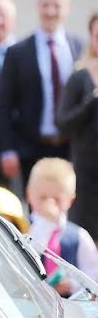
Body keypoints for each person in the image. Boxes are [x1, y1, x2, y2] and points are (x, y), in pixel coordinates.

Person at [0, 0, 84, 185]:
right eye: (45, 5)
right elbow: (5, 105)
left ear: (68, 8)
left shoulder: (79, 48)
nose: (51, 11)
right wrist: (7, 149)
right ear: (37, 6)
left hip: (73, 148)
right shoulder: (17, 52)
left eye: (57, 5)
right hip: (31, 149)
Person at [26, 158, 98, 296]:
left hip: (70, 308)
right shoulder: (24, 228)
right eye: (43, 198)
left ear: (70, 200)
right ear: (29, 194)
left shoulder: (78, 236)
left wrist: (72, 284)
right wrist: (44, 226)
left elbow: (93, 275)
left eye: (57, 199)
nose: (50, 205)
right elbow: (25, 256)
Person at [57, 13, 98, 244]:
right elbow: (63, 122)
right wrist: (91, 101)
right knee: (88, 239)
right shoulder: (79, 77)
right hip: (87, 176)